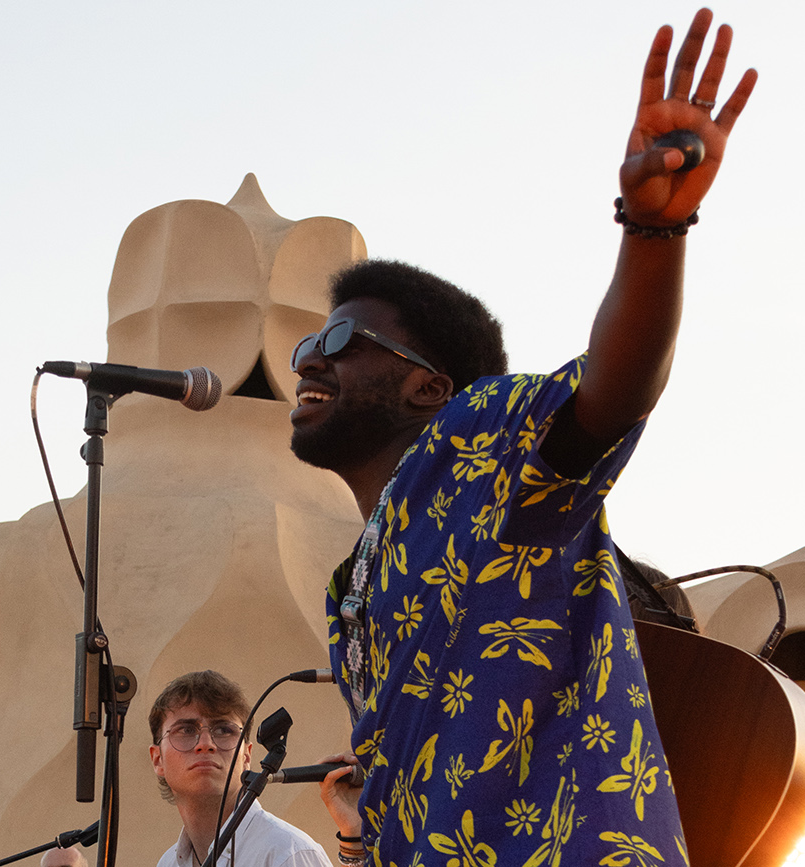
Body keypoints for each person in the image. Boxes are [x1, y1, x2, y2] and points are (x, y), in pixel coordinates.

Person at [289, 8, 756, 865]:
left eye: (339, 343)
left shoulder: (476, 443)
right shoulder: (350, 582)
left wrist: (654, 231)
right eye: (304, 344)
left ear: (428, 385)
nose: (306, 363)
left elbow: (612, 392)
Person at [149, 670, 333, 867]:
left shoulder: (288, 854)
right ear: (157, 759)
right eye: (186, 730)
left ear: (246, 756)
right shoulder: (167, 863)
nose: (205, 743)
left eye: (223, 730)